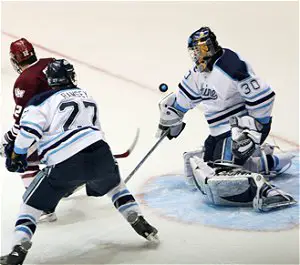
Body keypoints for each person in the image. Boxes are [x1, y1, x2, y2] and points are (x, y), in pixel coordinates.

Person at [0, 59, 158, 265]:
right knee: (116, 185)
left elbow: (28, 131)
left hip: (65, 163)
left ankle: (17, 251)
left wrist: (17, 155)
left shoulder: (40, 101)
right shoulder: (87, 96)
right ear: (71, 77)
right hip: (101, 152)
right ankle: (138, 220)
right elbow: (95, 130)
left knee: (29, 205)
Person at [156, 26, 296, 211]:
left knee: (222, 175)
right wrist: (172, 116)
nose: (195, 56)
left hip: (241, 130)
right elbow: (184, 98)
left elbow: (264, 98)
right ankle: (265, 162)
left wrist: (254, 132)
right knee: (208, 166)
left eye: (197, 51)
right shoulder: (198, 72)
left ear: (207, 49)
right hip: (219, 132)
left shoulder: (232, 66)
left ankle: (267, 191)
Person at [0, 38, 56, 222]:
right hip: (72, 124)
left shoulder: (24, 80)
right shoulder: (51, 63)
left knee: (18, 156)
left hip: (47, 130)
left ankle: (43, 207)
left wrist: (7, 140)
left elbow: (22, 124)